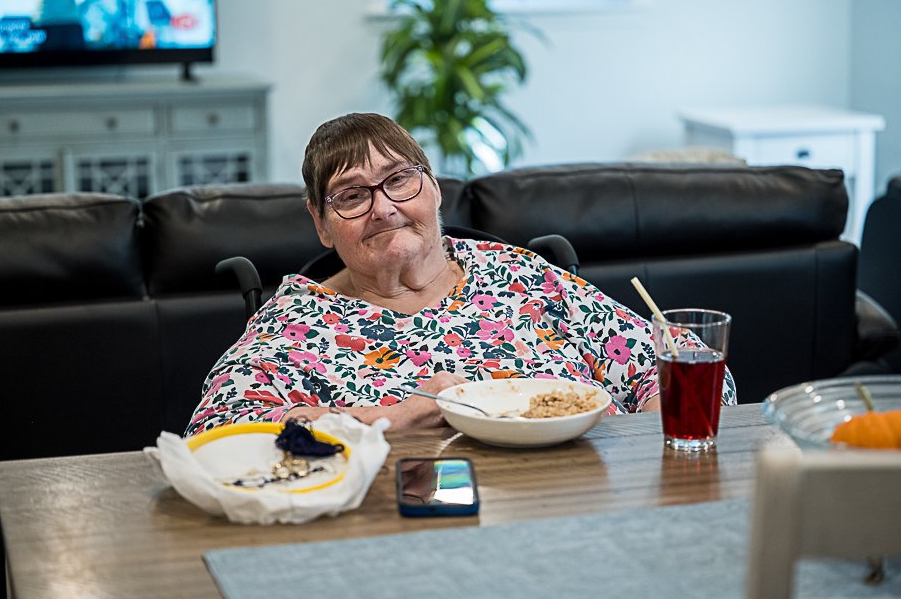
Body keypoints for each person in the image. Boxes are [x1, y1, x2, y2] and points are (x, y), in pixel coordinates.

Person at [185, 113, 736, 436]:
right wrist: (383, 422)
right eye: (352, 196)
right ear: (321, 224)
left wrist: (653, 444)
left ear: (434, 188)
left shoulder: (523, 276)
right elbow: (218, 431)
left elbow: (682, 361)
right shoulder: (294, 326)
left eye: (399, 180)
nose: (383, 207)